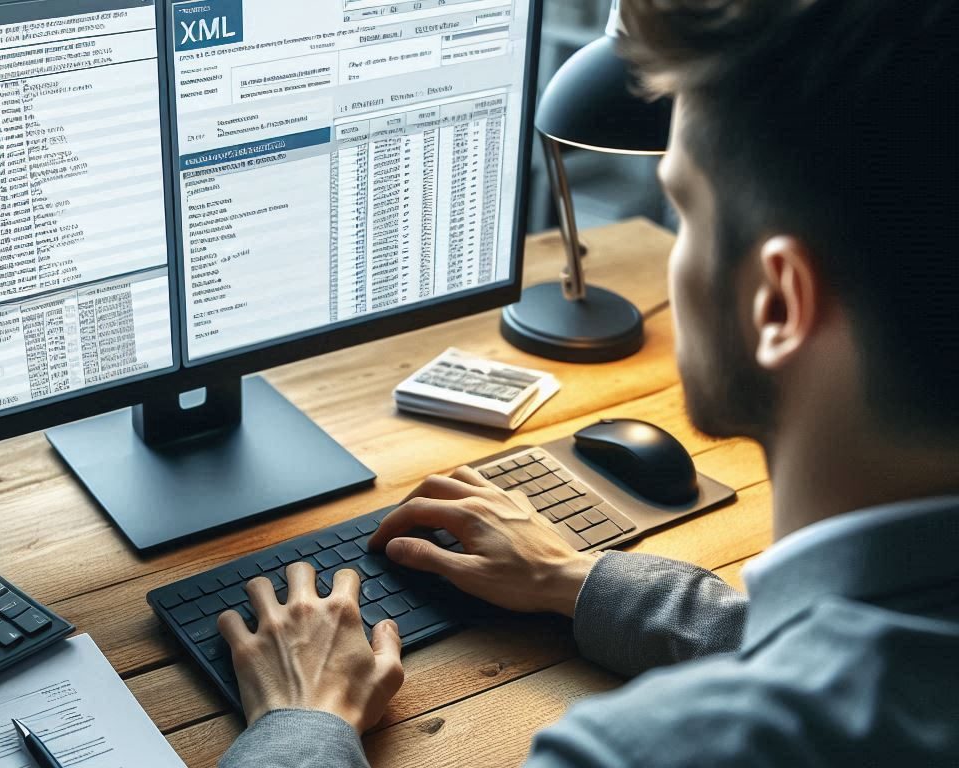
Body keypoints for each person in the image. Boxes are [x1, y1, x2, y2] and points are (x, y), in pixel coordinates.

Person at [216, 1, 959, 765]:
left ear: (776, 304)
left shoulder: (632, 754)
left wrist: (303, 722)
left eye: (683, 210)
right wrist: (577, 578)